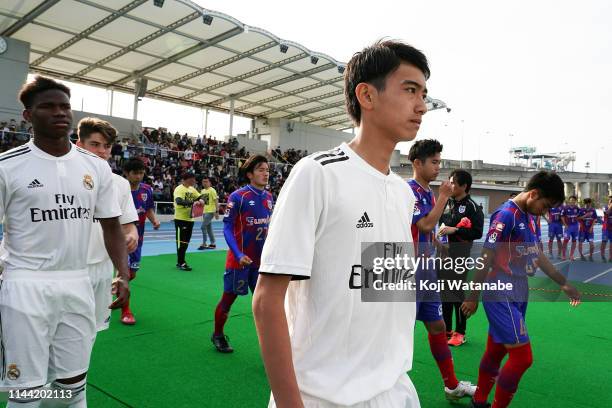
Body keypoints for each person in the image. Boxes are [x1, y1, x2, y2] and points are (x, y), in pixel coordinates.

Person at [253, 40, 428, 408]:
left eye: (424, 93)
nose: (422, 105)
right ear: (367, 94)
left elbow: (380, 290)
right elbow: (267, 301)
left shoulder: (401, 192)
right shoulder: (317, 174)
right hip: (322, 397)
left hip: (393, 389)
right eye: (410, 90)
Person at [0, 76, 130, 406]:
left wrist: (123, 273)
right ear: (28, 115)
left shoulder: (95, 168)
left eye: (65, 106)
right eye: (48, 106)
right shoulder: (8, 167)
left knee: (73, 387)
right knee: (25, 391)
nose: (60, 113)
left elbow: (112, 226)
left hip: (77, 282)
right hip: (25, 284)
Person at [462, 171, 580, 408]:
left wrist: (563, 283)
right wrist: (473, 297)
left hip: (518, 291)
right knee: (522, 358)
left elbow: (537, 254)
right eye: (545, 206)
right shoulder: (506, 216)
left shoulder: (530, 215)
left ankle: (480, 399)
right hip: (500, 292)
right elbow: (485, 257)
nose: (544, 213)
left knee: (496, 350)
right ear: (534, 194)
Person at [407, 140, 476, 401]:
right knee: (403, 334)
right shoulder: (409, 190)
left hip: (427, 273)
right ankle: (382, 387)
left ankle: (451, 385)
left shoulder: (428, 193)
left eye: (439, 162)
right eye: (434, 162)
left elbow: (428, 231)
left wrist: (439, 245)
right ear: (417, 163)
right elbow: (424, 224)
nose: (438, 167)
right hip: (410, 274)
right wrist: (444, 197)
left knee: (437, 326)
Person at [76, 117, 139, 331]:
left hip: (102, 269)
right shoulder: (62, 177)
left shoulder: (120, 184)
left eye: (107, 146)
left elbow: (129, 225)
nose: (102, 151)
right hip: (68, 269)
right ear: (79, 145)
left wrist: (132, 235)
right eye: (95, 144)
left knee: (88, 336)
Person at [211, 155, 273, 353]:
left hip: (260, 263)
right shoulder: (238, 197)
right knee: (228, 299)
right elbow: (227, 228)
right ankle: (218, 334)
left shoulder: (269, 197)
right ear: (249, 174)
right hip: (239, 262)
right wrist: (238, 254)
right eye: (261, 170)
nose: (266, 173)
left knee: (264, 305)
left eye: (267, 170)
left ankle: (271, 348)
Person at [438, 169, 484, 346]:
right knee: (444, 294)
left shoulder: (472, 207)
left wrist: (456, 230)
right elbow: (441, 226)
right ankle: (447, 329)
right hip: (443, 254)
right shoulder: (446, 203)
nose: (450, 185)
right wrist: (440, 239)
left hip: (460, 255)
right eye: (450, 182)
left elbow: (477, 232)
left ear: (464, 186)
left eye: (453, 183)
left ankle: (460, 332)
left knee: (457, 293)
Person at [123, 157, 161, 324]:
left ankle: (116, 287)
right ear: (127, 173)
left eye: (141, 173)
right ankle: (126, 310)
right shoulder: (119, 189)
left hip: (139, 239)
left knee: (132, 274)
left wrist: (154, 220)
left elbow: (148, 208)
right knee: (124, 274)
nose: (139, 176)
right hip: (121, 238)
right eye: (135, 173)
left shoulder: (147, 190)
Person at [173, 172, 203, 271]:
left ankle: (181, 261)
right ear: (187, 179)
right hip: (180, 219)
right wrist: (193, 202)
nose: (194, 181)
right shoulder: (179, 189)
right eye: (193, 179)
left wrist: (202, 200)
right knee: (181, 242)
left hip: (190, 219)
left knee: (186, 242)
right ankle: (181, 262)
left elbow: (201, 197)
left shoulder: (192, 189)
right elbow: (179, 201)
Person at [198, 176, 219, 250]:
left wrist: (217, 212)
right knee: (209, 228)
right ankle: (213, 243)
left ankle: (204, 243)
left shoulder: (212, 190)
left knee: (203, 227)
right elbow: (203, 202)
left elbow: (216, 201)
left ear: (210, 182)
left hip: (210, 212)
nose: (205, 183)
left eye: (206, 181)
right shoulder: (202, 191)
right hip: (204, 211)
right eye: (204, 181)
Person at [561, 195, 579, 261]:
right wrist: (565, 225)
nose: (572, 201)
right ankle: (563, 255)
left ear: (575, 201)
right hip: (568, 227)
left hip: (575, 227)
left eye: (573, 200)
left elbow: (579, 216)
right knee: (566, 240)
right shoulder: (565, 208)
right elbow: (562, 217)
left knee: (574, 241)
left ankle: (571, 255)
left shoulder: (577, 208)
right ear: (569, 201)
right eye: (571, 200)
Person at [600, 196, 612, 262]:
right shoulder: (605, 207)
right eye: (610, 199)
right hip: (606, 228)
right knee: (604, 242)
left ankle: (610, 256)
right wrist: (611, 206)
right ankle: (602, 254)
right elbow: (606, 213)